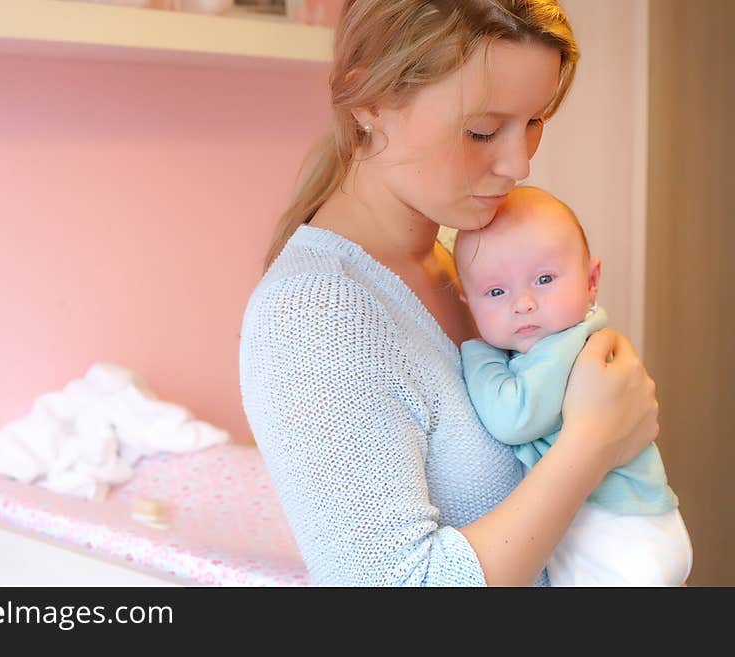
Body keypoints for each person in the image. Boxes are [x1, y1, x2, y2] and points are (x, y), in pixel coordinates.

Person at [239, 0, 661, 586]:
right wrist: (595, 441)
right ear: (369, 104)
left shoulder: (451, 264)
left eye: (534, 122)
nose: (519, 165)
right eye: (482, 131)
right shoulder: (318, 313)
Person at [454, 186, 692, 586]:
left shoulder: (565, 346)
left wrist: (477, 355)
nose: (523, 303)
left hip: (617, 530)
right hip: (634, 522)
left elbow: (514, 418)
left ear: (591, 280)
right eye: (496, 292)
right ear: (468, 304)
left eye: (544, 278)